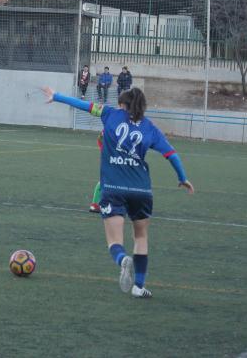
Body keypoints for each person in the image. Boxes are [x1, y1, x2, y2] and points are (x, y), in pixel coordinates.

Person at [42, 86, 194, 298]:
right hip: (141, 190)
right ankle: (139, 287)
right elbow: (171, 154)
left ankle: (122, 259)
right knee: (141, 237)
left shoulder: (110, 114)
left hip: (113, 189)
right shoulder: (150, 127)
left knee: (114, 242)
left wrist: (56, 96)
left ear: (122, 104)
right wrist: (182, 178)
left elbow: (83, 105)